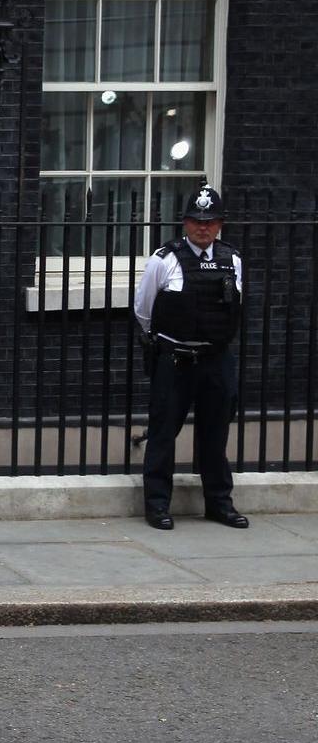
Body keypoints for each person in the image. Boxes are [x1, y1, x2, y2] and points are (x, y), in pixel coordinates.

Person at [132, 184, 248, 531]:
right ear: (184, 223)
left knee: (216, 435)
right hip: (176, 360)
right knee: (164, 433)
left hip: (216, 359)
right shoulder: (164, 259)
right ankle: (157, 505)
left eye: (210, 221)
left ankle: (219, 504)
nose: (203, 227)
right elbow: (144, 309)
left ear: (220, 224)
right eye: (197, 221)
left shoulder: (232, 259)